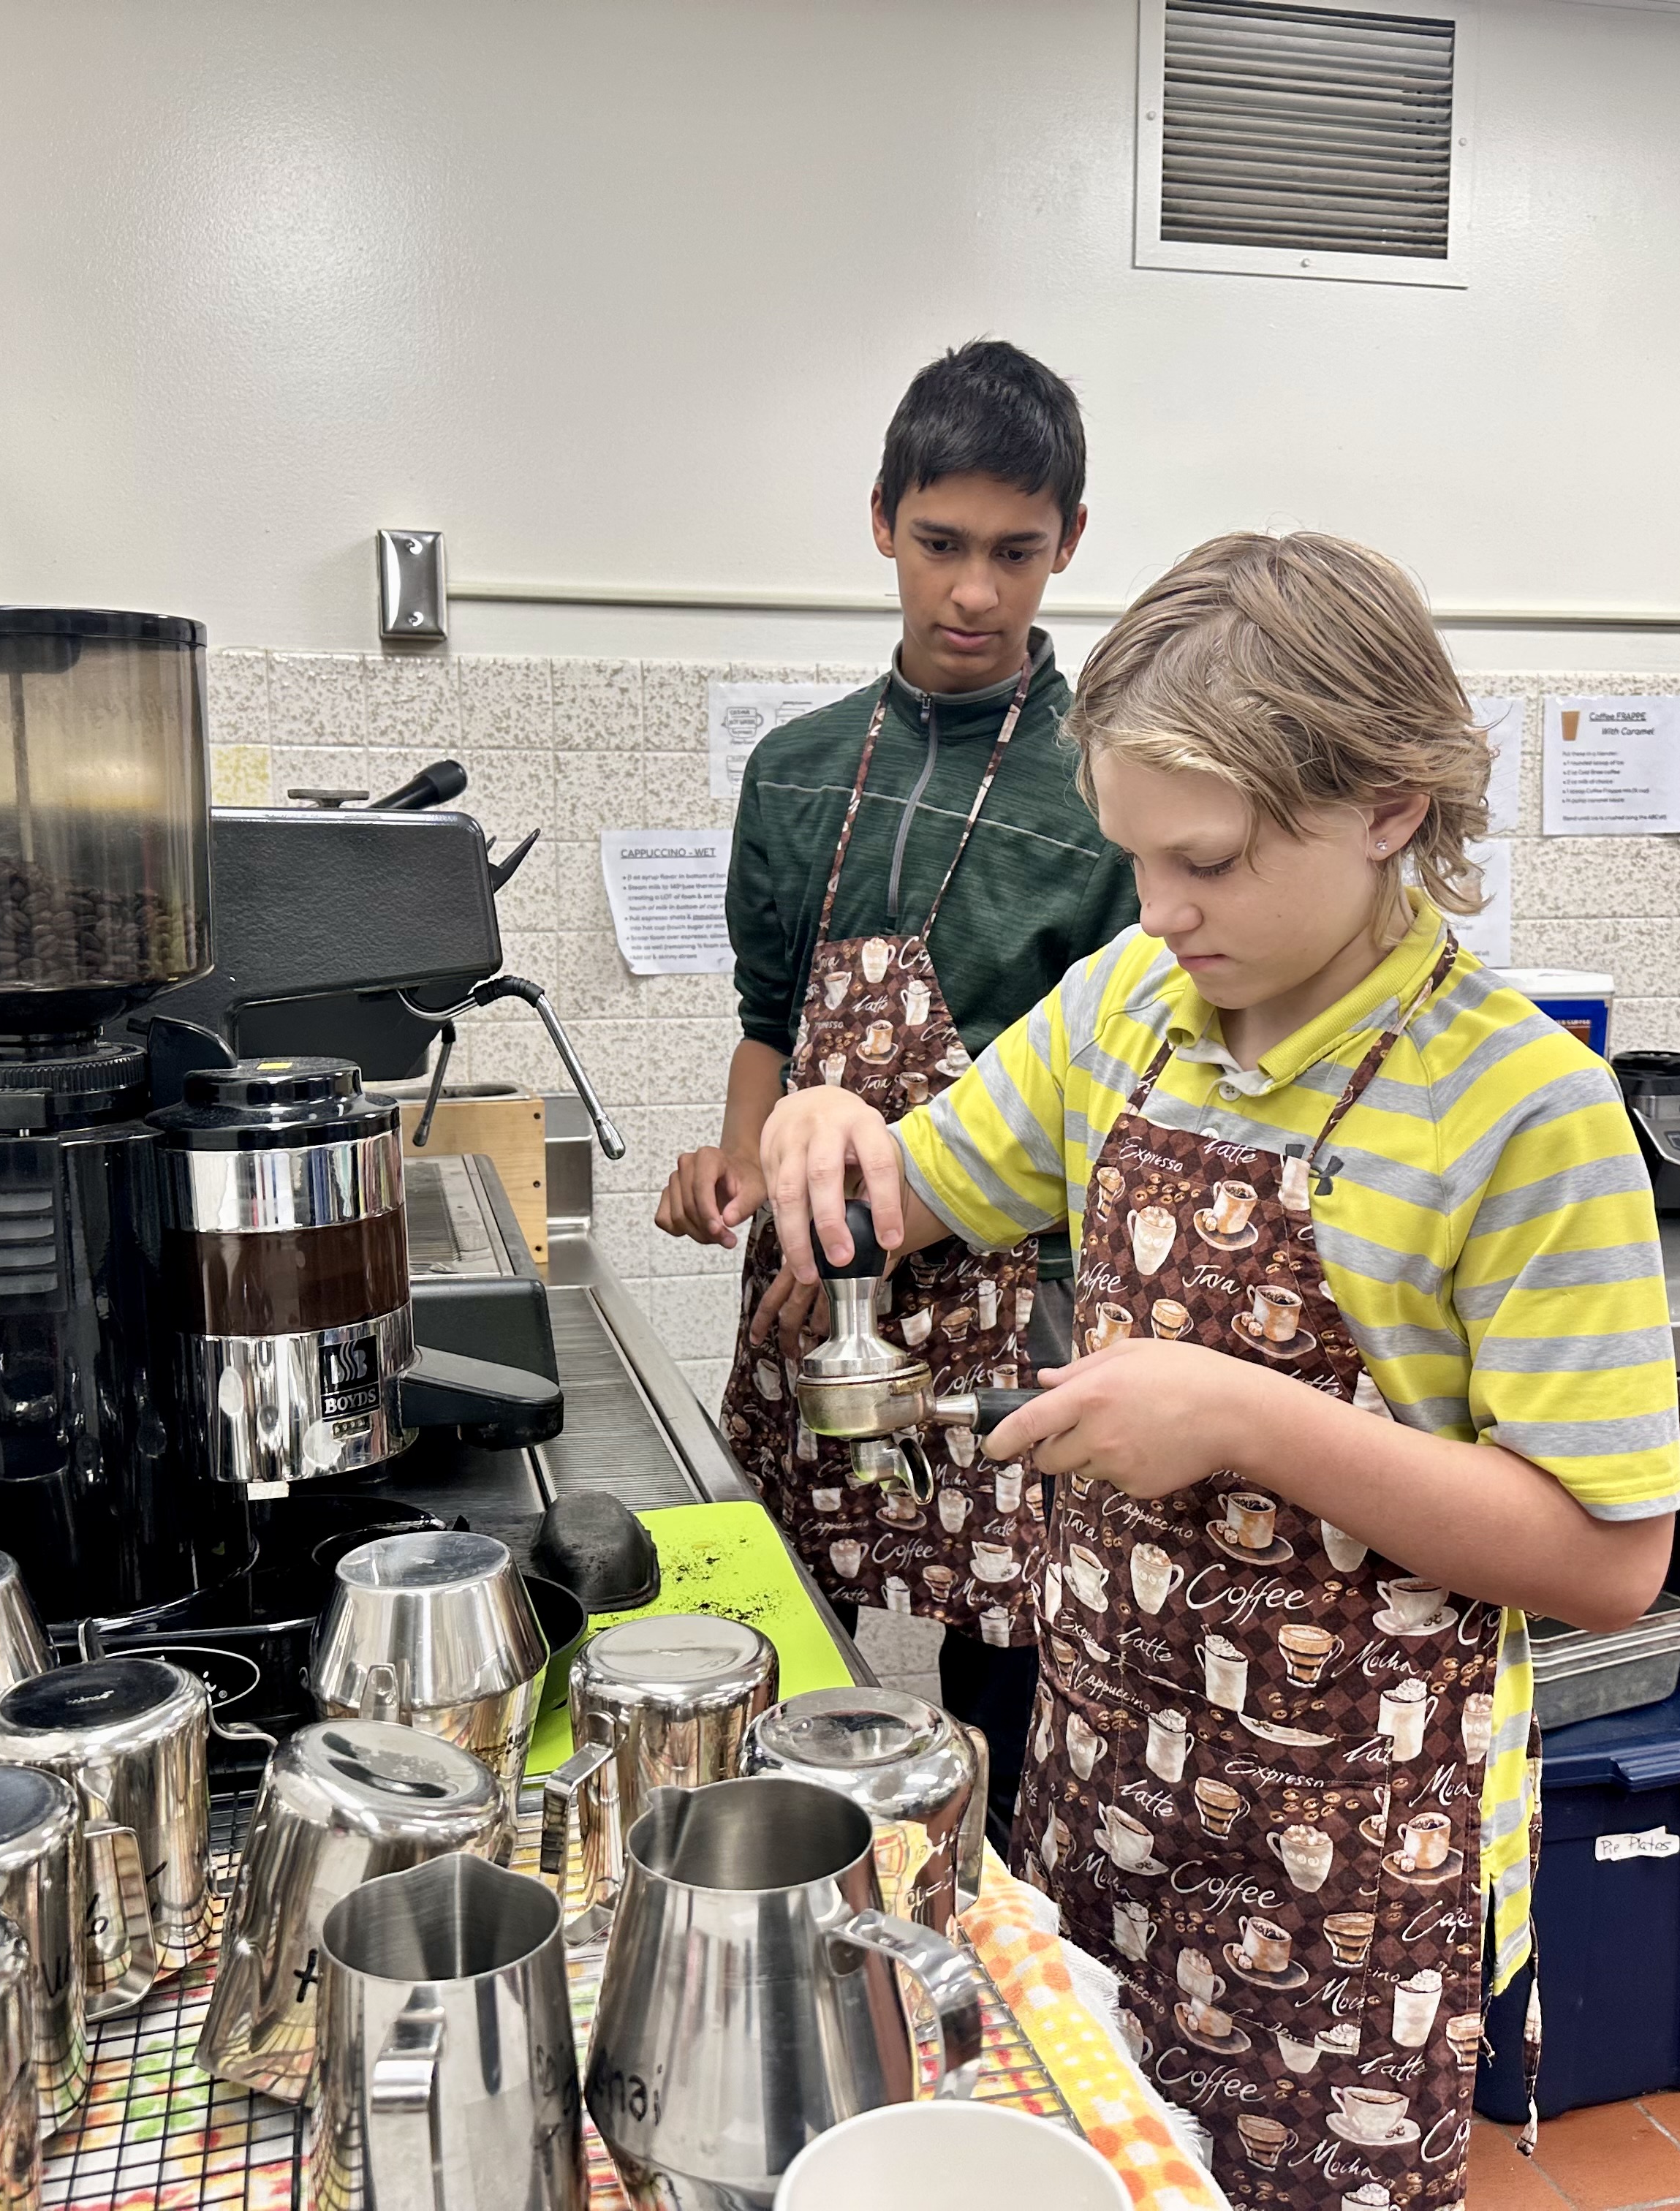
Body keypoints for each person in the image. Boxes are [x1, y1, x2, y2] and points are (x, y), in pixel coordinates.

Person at [750, 532, 1680, 2205]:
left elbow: (1606, 1559)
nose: (1159, 909)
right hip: (1100, 1797)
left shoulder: (1526, 1117)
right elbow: (924, 1186)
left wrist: (1245, 1417)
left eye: (1212, 862)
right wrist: (835, 1133)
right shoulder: (1132, 1005)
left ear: (1390, 803)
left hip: (1354, 1891)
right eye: (1133, 858)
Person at [654, 339, 1136, 1843]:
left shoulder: (1104, 790)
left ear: (1072, 541)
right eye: (941, 546)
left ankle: (987, 1912)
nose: (976, 593)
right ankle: (813, 1861)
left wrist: (882, 1217)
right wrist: (736, 1166)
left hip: (1009, 1283)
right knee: (797, 1602)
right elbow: (767, 1022)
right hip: (806, 1274)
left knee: (1009, 1635)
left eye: (1017, 551)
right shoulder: (798, 773)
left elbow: (1103, 1105)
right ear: (882, 521)